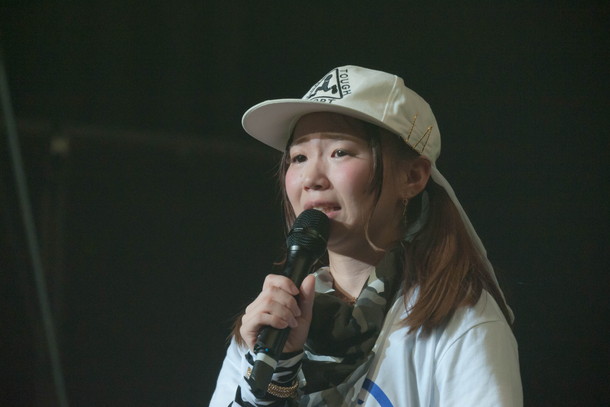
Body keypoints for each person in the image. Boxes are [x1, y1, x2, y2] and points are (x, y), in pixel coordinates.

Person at [210, 65, 522, 406]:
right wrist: (274, 377)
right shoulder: (268, 327)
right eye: (298, 157)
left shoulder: (459, 321)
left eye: (340, 152)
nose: (311, 177)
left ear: (413, 177)